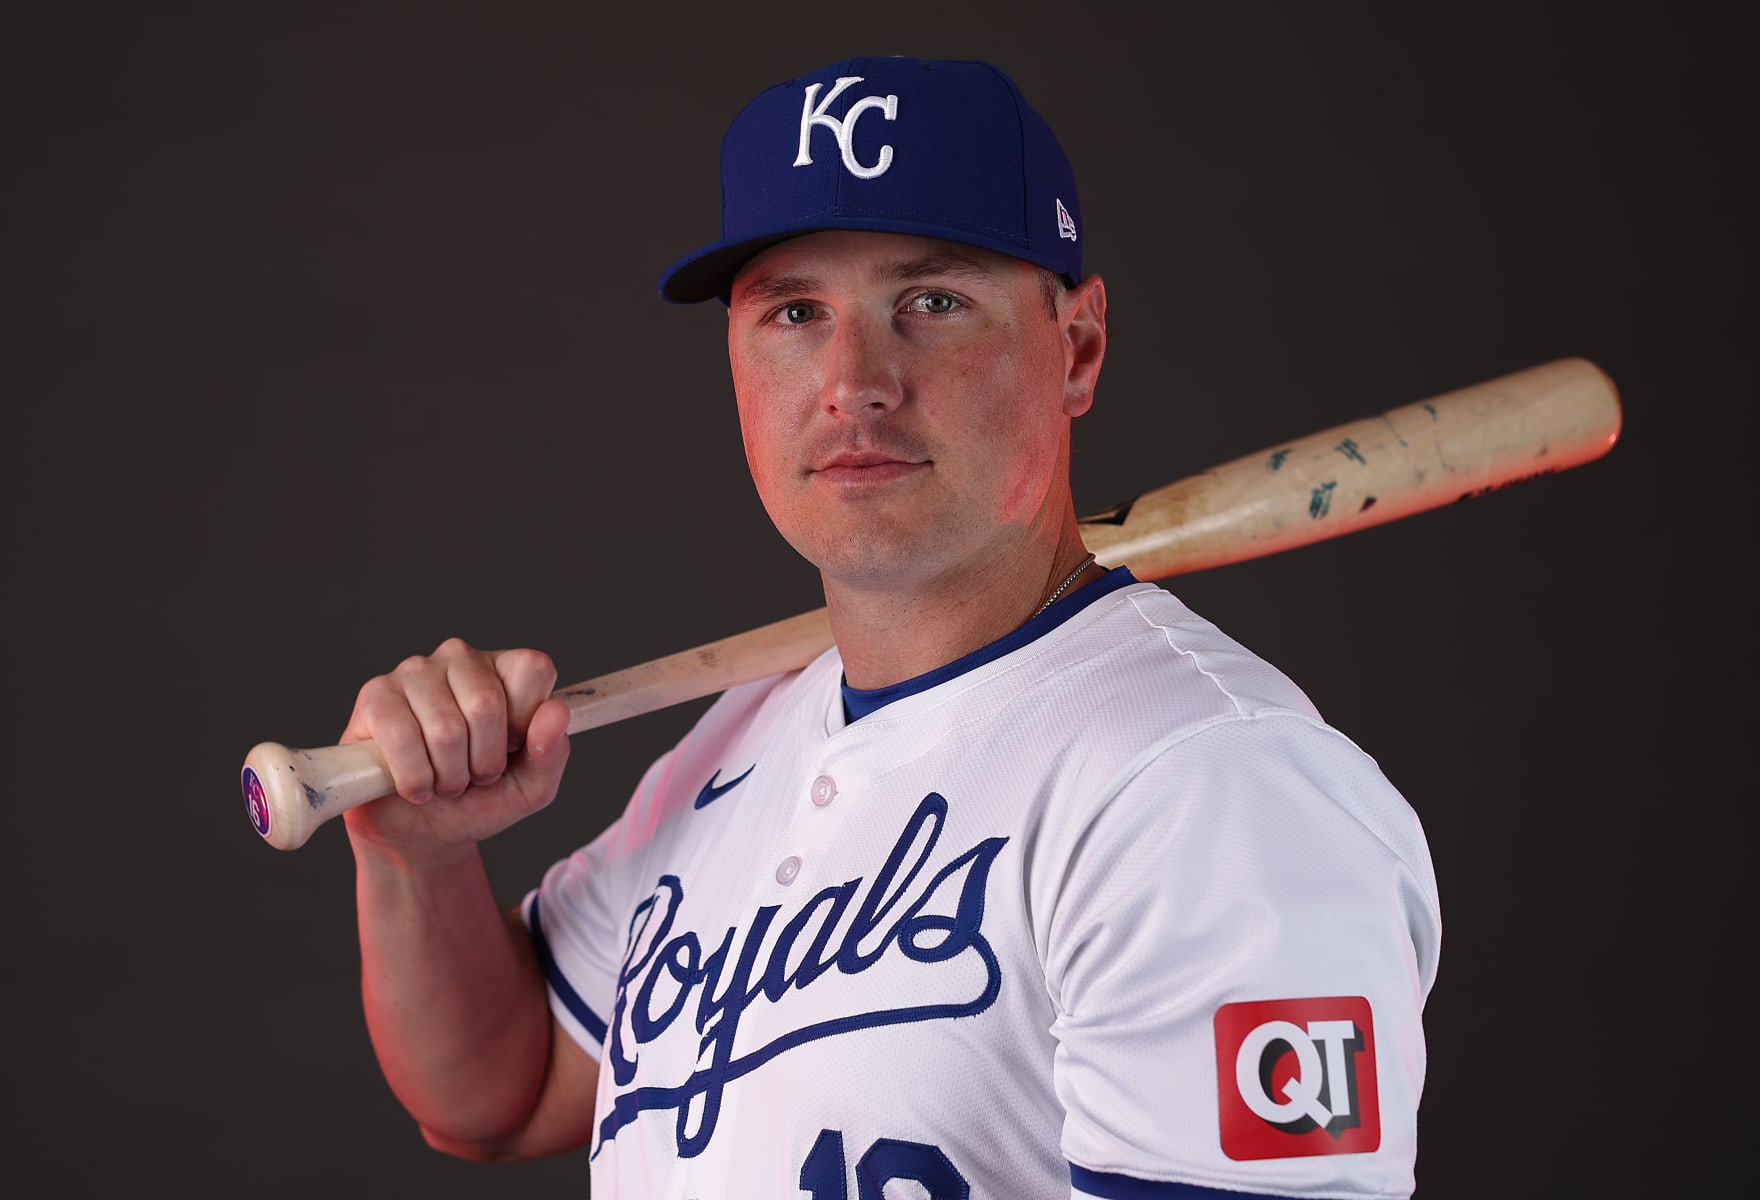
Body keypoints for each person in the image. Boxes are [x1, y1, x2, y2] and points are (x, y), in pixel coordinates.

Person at [338, 55, 1442, 1199]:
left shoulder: (1208, 789)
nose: (853, 381)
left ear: (1079, 346)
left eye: (932, 302)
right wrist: (419, 857)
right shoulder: (735, 748)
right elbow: (500, 1094)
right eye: (796, 312)